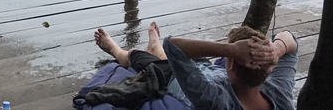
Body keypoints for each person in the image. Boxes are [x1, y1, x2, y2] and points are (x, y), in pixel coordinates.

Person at [94, 21, 297, 110]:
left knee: (137, 58)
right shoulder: (279, 91)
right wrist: (277, 48)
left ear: (232, 63)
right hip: (204, 67)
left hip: (172, 74)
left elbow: (172, 45)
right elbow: (291, 40)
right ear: (270, 65)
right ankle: (154, 47)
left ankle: (116, 50)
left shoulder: (216, 100)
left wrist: (230, 50)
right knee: (172, 56)